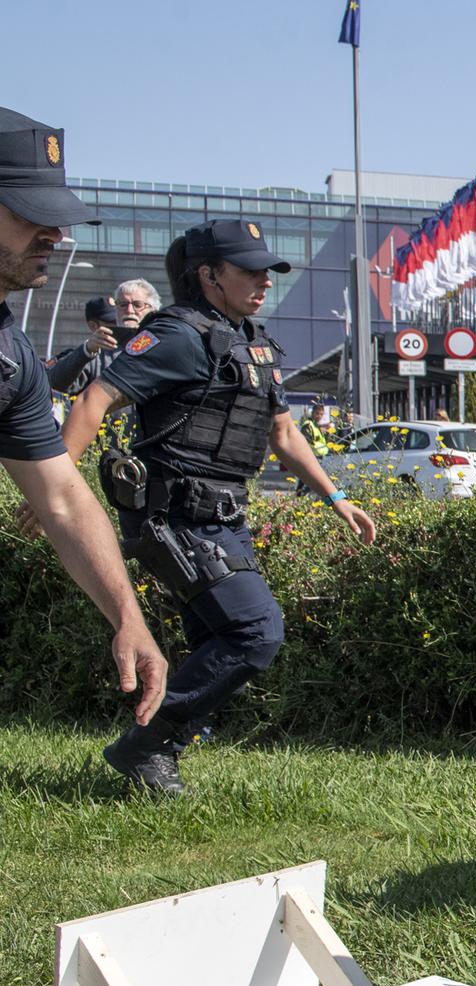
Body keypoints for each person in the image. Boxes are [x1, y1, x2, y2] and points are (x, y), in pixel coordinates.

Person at [60, 220, 377, 796]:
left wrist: (337, 498)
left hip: (223, 518)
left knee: (219, 641)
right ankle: (146, 745)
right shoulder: (179, 335)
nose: (263, 281)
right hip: (175, 517)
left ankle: (155, 754)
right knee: (256, 632)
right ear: (208, 275)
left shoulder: (249, 340)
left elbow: (283, 432)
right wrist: (55, 488)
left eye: (267, 271)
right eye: (249, 270)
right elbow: (95, 397)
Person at [0, 106, 167, 725]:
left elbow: (63, 500)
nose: (55, 235)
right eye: (31, 215)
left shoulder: (11, 356)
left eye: (58, 220)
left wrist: (129, 619)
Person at [45, 295, 122, 395]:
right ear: (93, 326)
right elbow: (54, 383)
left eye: (120, 319)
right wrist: (86, 351)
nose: (119, 324)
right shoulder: (84, 358)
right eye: (112, 322)